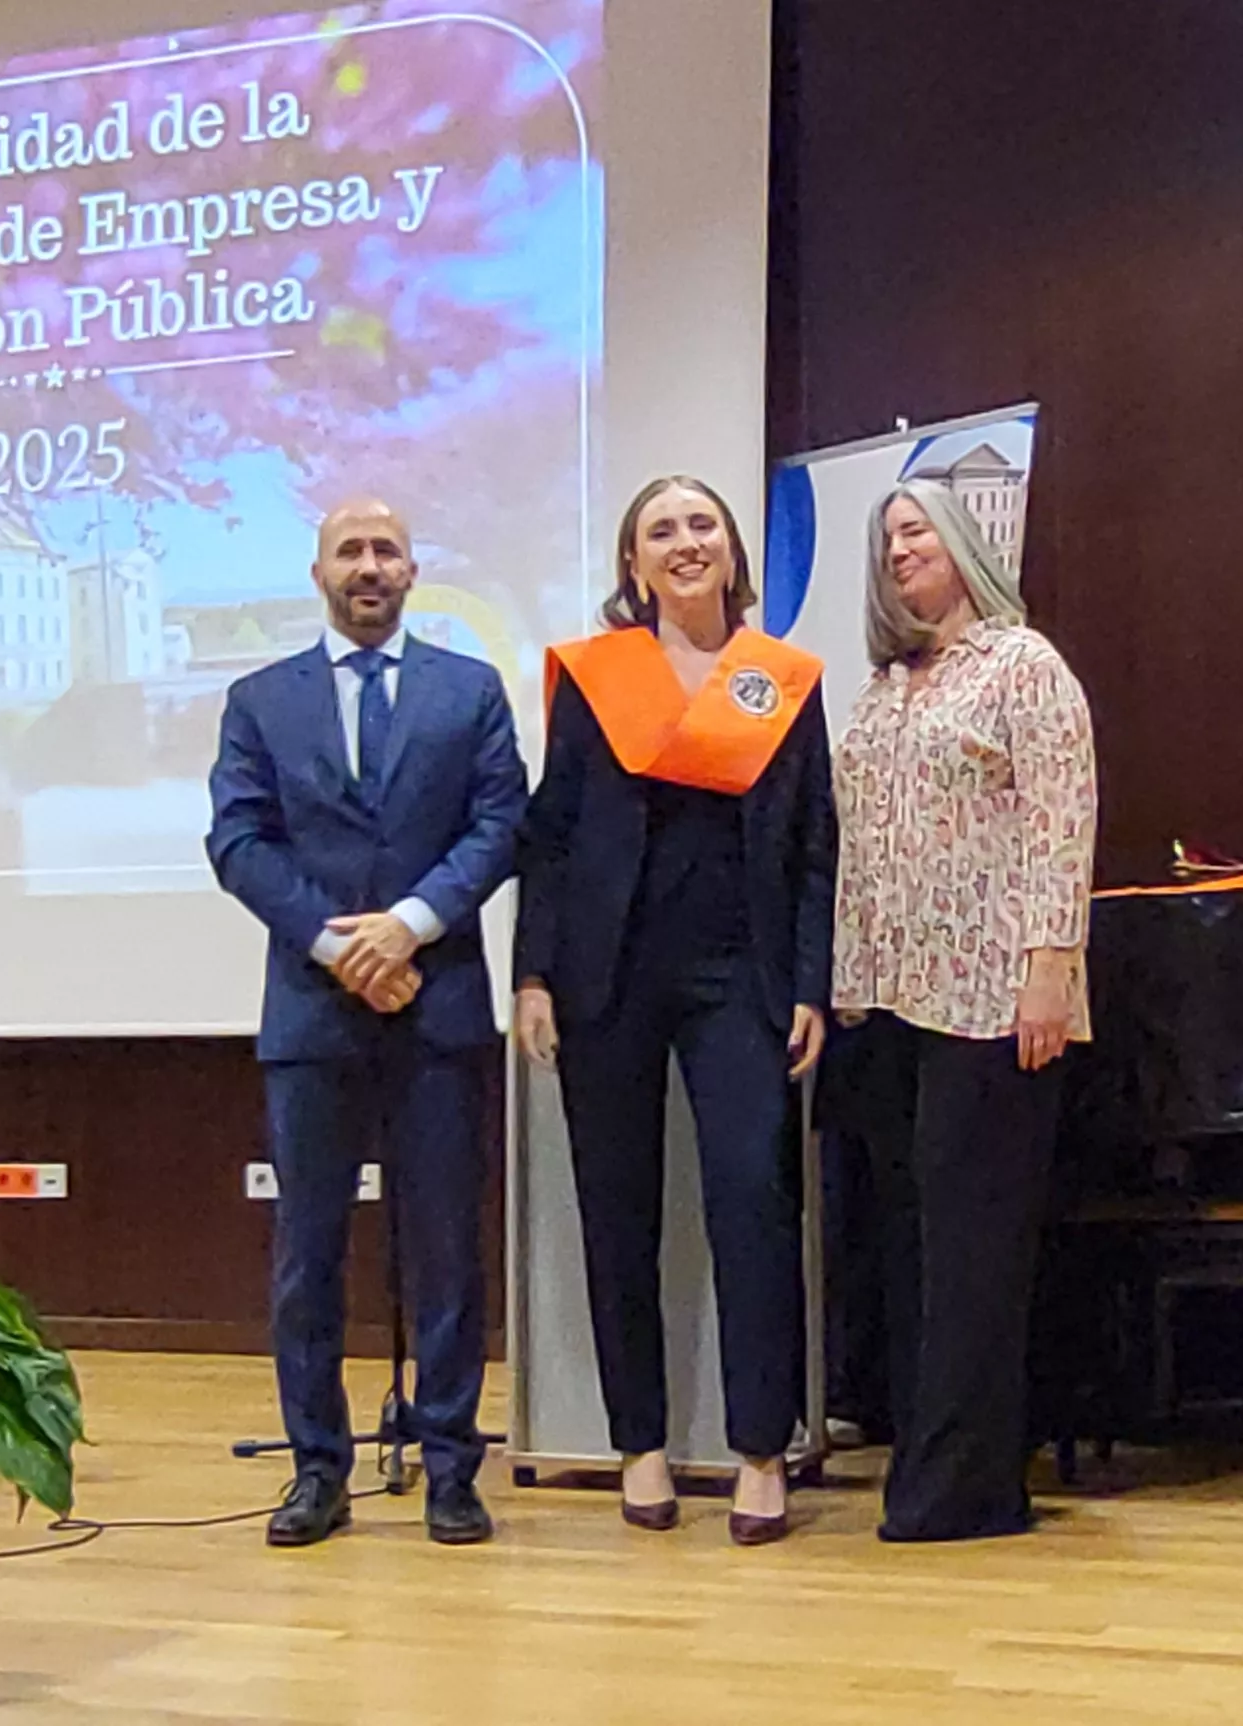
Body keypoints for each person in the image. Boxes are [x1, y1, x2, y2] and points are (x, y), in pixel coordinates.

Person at [515, 474, 835, 1545]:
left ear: (732, 554)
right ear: (633, 565)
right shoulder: (594, 678)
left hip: (737, 983)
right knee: (617, 1210)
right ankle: (638, 1442)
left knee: (751, 1200)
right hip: (606, 978)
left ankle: (757, 1450)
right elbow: (549, 837)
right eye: (661, 530)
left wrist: (806, 983)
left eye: (702, 524)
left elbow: (812, 848)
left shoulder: (779, 682)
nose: (684, 541)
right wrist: (531, 974)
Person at [207, 498, 528, 1548]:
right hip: (311, 1009)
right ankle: (315, 1468)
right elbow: (238, 840)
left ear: (412, 570)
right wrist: (336, 944)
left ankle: (449, 1465)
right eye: (350, 550)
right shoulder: (258, 700)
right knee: (308, 1252)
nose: (369, 566)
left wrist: (406, 925)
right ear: (317, 572)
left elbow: (496, 824)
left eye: (385, 550)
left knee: (446, 1247)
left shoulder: (467, 690)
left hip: (435, 1007)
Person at [831, 478, 1096, 1542]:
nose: (899, 551)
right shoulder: (881, 685)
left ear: (963, 546)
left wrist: (1049, 966)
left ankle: (968, 1486)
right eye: (885, 538)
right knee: (907, 1248)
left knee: (974, 1250)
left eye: (917, 531)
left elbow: (1061, 820)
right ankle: (921, 1463)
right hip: (886, 1002)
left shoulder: (1022, 664)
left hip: (993, 997)